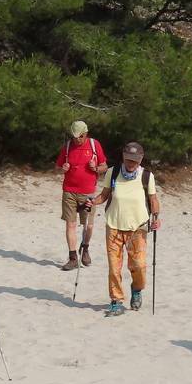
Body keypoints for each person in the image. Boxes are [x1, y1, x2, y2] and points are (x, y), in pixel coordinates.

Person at [89, 141, 160, 317]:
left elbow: (153, 199)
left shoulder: (146, 176)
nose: (131, 163)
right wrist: (93, 202)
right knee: (114, 267)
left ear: (141, 159)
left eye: (135, 160)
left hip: (138, 228)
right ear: (123, 157)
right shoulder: (112, 173)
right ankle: (116, 301)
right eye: (128, 159)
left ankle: (136, 290)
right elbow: (104, 195)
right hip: (113, 226)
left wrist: (156, 217)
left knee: (139, 265)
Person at [56, 120, 107, 271]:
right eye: (74, 136)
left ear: (86, 134)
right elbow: (57, 167)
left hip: (88, 192)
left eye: (80, 136)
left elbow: (104, 166)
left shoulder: (94, 145)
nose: (77, 139)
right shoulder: (67, 147)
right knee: (70, 224)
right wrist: (62, 169)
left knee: (88, 226)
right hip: (69, 191)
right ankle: (72, 257)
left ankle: (85, 248)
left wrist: (95, 168)